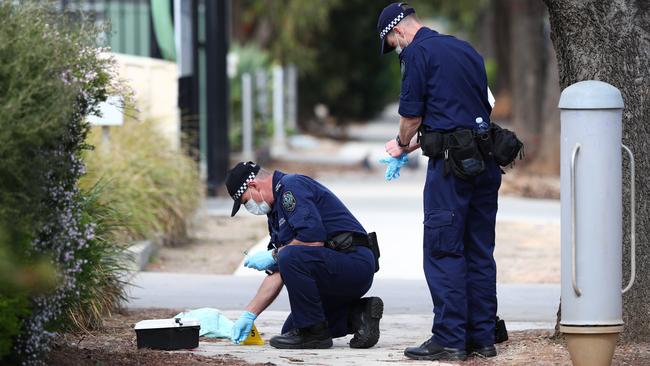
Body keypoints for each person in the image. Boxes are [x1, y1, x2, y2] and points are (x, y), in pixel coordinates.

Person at [377, 2, 503, 361]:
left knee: (444, 250)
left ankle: (449, 339)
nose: (396, 49)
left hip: (451, 172)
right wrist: (415, 145)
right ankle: (481, 338)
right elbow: (468, 113)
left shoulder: (417, 54)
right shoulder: (466, 50)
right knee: (479, 251)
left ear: (398, 31)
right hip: (485, 163)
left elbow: (411, 116)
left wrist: (402, 145)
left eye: (392, 43)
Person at [225, 161, 383, 349]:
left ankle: (314, 334)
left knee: (290, 259)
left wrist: (275, 255)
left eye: (245, 202)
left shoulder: (291, 187)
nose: (249, 208)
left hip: (352, 262)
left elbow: (311, 240)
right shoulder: (275, 213)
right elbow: (279, 270)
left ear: (253, 186)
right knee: (292, 329)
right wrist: (249, 315)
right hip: (331, 268)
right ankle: (358, 315)